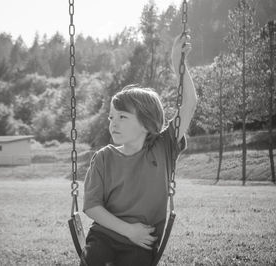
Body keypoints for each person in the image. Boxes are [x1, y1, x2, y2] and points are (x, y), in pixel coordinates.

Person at [80, 34, 197, 266]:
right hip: (105, 235)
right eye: (111, 117)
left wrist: (178, 64)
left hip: (141, 242)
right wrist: (127, 230)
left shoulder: (163, 147)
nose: (113, 123)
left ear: (147, 123)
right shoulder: (103, 158)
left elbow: (190, 103)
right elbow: (92, 207)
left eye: (122, 116)